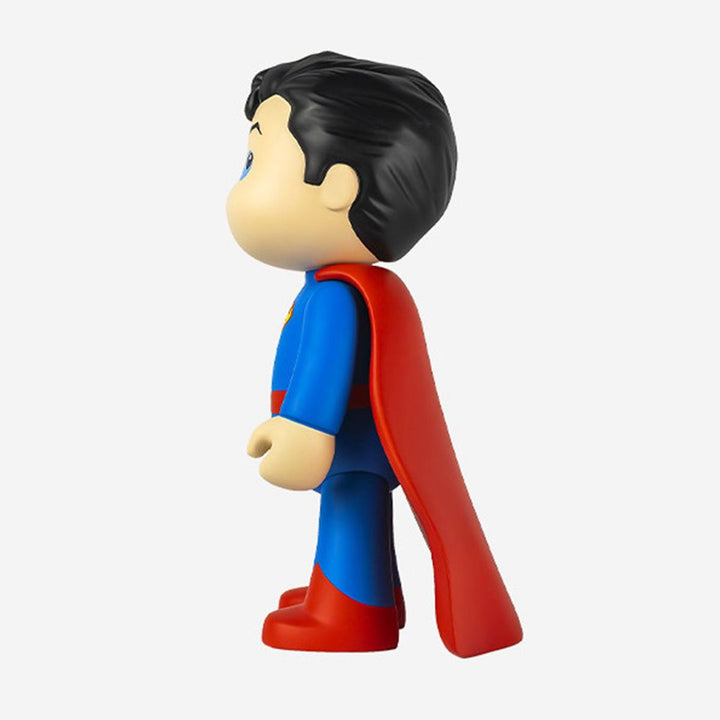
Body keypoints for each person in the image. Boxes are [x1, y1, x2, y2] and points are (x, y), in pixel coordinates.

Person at [226, 51, 521, 656]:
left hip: (345, 439)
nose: (240, 182)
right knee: (353, 508)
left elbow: (324, 373)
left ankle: (351, 615)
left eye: (256, 160)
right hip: (358, 437)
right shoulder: (334, 287)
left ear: (338, 188)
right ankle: (366, 595)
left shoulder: (334, 297)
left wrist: (304, 430)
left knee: (348, 507)